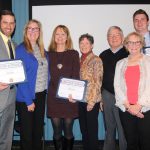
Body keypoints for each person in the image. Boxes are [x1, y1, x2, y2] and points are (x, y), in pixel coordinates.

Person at [15, 19, 49, 150]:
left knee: (37, 133)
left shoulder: (43, 50)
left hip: (41, 95)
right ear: (25, 31)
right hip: (26, 98)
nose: (33, 31)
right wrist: (29, 101)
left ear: (39, 32)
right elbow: (20, 77)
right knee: (27, 135)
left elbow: (47, 73)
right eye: (30, 28)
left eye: (36, 29)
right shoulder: (20, 50)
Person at [114, 31, 150, 150]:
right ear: (126, 45)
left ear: (141, 44)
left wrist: (138, 106)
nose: (133, 46)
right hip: (126, 109)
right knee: (131, 142)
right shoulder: (120, 63)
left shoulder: (148, 61)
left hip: (145, 108)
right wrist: (130, 107)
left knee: (146, 142)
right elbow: (117, 87)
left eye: (137, 42)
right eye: (130, 43)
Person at [47, 25, 80, 150]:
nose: (60, 37)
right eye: (57, 34)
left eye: (63, 34)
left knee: (68, 129)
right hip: (53, 97)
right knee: (56, 131)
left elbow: (76, 75)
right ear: (54, 37)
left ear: (67, 37)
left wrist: (74, 94)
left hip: (69, 98)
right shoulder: (48, 54)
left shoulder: (73, 53)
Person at [99, 26, 128, 150]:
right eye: (111, 35)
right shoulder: (103, 55)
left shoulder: (128, 53)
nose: (114, 37)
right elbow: (99, 78)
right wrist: (100, 97)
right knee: (109, 128)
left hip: (124, 96)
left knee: (123, 128)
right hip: (106, 95)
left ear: (122, 37)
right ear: (107, 38)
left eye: (116, 35)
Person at [78, 33, 103, 150]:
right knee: (84, 130)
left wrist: (92, 102)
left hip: (91, 101)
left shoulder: (96, 60)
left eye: (87, 43)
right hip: (80, 100)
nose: (84, 45)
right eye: (81, 43)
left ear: (92, 45)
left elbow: (98, 81)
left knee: (92, 131)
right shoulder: (79, 59)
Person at [0, 10, 16, 150]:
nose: (8, 26)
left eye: (11, 23)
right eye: (5, 22)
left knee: (6, 135)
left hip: (11, 96)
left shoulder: (14, 44)